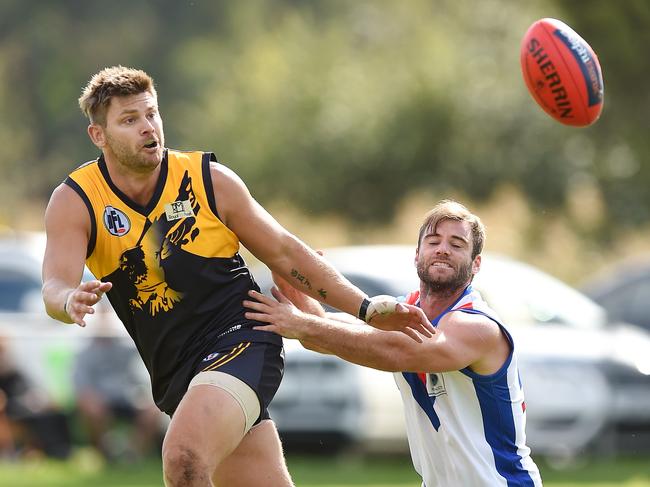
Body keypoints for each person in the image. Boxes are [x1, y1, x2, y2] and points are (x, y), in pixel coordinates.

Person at [41, 65, 433, 487]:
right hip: (176, 371)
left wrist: (366, 307)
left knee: (183, 458)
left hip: (242, 336)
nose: (147, 128)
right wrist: (68, 301)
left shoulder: (208, 180)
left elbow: (285, 250)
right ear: (98, 136)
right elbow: (54, 286)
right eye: (129, 120)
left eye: (151, 114)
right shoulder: (76, 200)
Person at [244, 200, 543, 486]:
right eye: (434, 240)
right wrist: (299, 294)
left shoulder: (476, 326)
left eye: (457, 244)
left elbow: (395, 352)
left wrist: (302, 324)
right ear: (417, 255)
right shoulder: (402, 313)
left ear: (475, 264)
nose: (443, 250)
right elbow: (329, 335)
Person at [72, 304, 163, 462]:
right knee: (92, 409)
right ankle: (105, 455)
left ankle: (133, 454)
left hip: (128, 398)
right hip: (102, 399)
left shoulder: (128, 348)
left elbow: (141, 377)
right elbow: (81, 385)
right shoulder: (85, 353)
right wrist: (92, 399)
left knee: (153, 409)